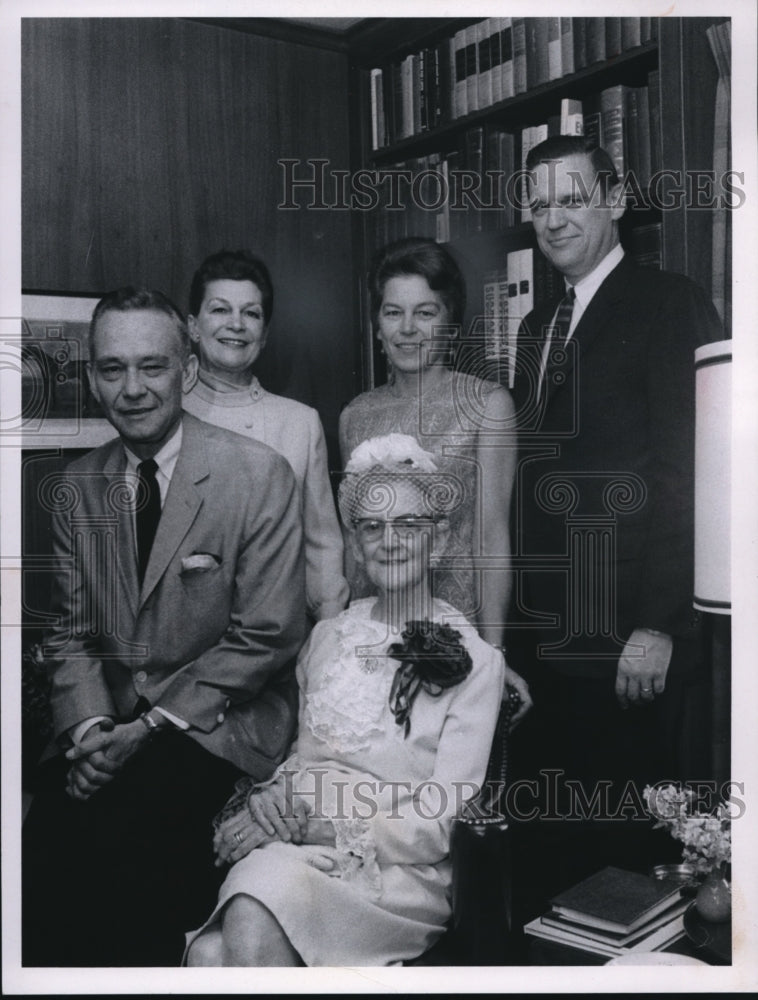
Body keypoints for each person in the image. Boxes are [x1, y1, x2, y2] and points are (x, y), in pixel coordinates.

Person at [22, 287, 306, 966]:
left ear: (187, 370)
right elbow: (72, 632)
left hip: (218, 727)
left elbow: (267, 635)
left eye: (152, 366)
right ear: (93, 377)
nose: (132, 388)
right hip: (111, 724)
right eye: (113, 369)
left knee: (132, 845)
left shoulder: (257, 474)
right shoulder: (76, 486)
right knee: (46, 850)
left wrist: (143, 731)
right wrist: (91, 732)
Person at [184, 434, 529, 967]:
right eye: (372, 526)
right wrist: (269, 803)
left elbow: (440, 822)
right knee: (210, 953)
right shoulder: (327, 638)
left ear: (437, 541)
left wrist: (324, 827)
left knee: (245, 919)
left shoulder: (477, 662)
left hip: (398, 873)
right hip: (301, 849)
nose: (389, 541)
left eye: (408, 526)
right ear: (358, 544)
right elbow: (304, 761)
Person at [508, 136, 723, 916]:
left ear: (615, 198)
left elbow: (692, 472)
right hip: (550, 645)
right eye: (540, 203)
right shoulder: (537, 327)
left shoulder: (670, 301)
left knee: (633, 875)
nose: (554, 217)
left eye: (572, 197)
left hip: (633, 645)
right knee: (557, 872)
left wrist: (663, 625)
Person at [339, 237, 517, 652]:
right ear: (377, 324)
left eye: (425, 313)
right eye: (393, 312)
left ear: (450, 322)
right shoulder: (354, 415)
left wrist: (494, 653)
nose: (407, 329)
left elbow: (491, 539)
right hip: (374, 631)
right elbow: (354, 546)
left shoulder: (487, 405)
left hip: (455, 637)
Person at [183, 249, 348, 622]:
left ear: (266, 334)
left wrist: (326, 633)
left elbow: (321, 547)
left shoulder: (299, 422)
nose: (236, 324)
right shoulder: (165, 414)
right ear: (193, 326)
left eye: (251, 313)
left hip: (276, 634)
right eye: (220, 310)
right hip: (181, 637)